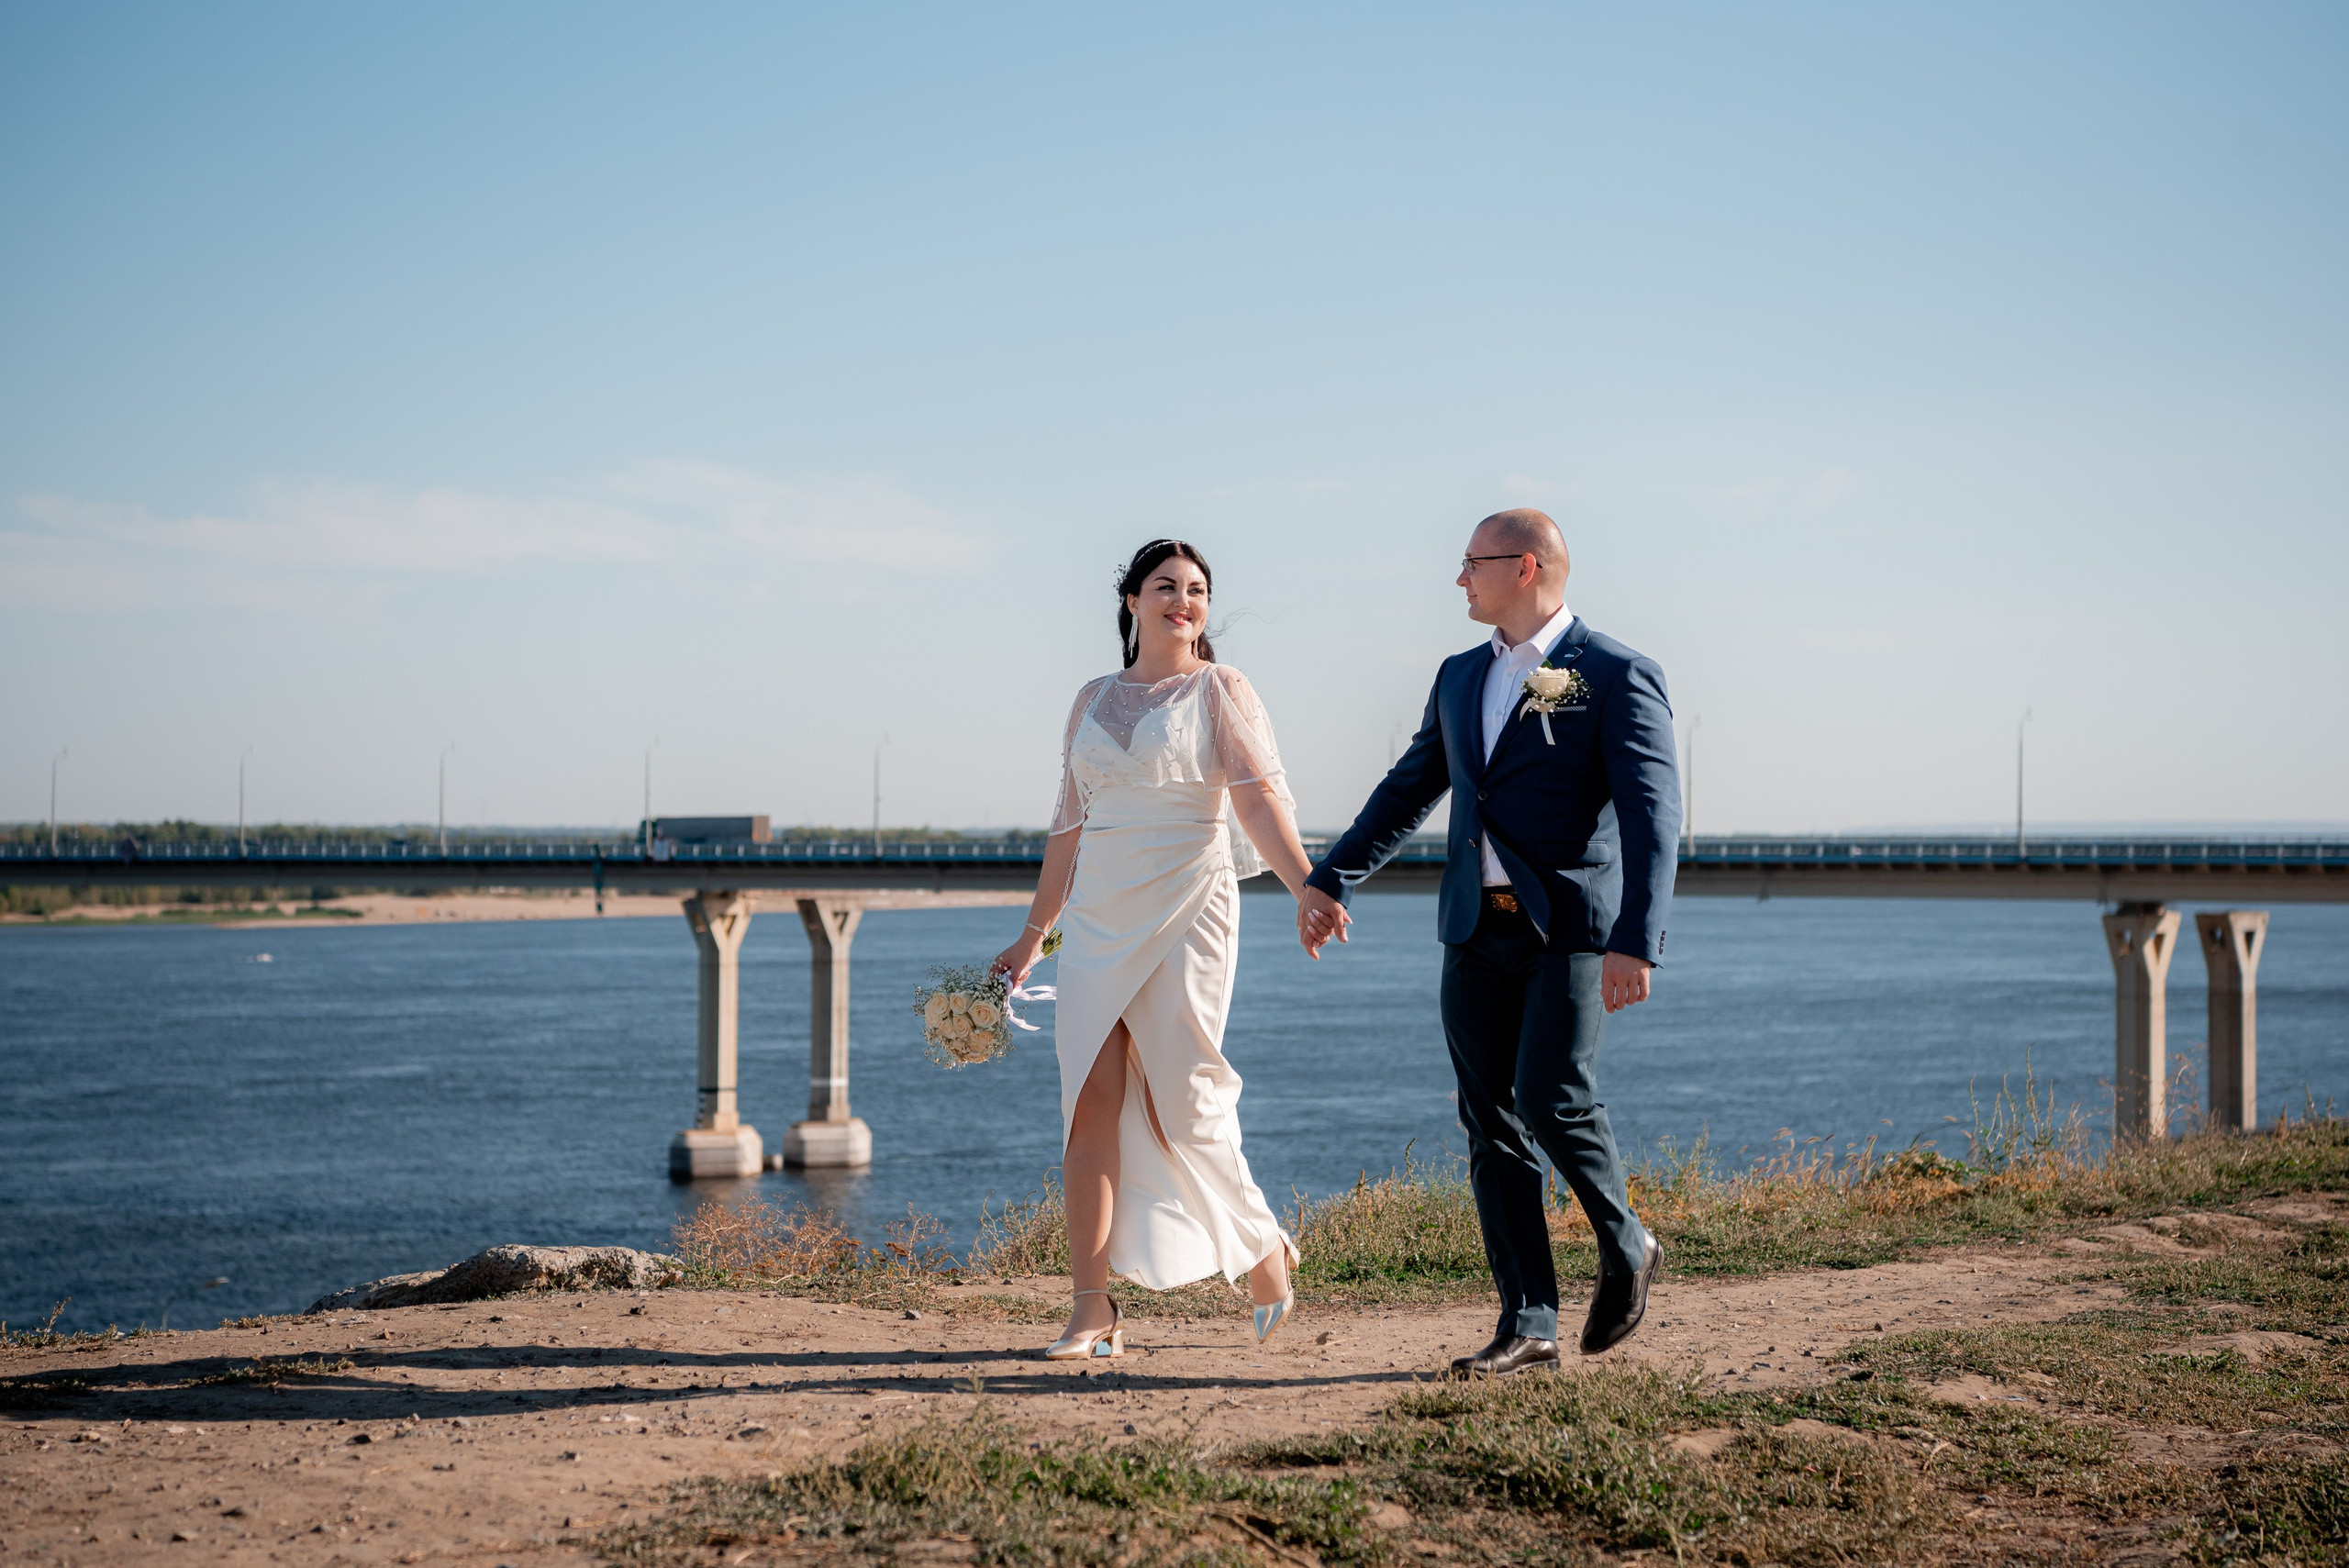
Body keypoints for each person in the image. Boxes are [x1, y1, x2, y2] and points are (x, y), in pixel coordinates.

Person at [1298, 508, 1680, 1376]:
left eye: (1472, 563)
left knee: (1552, 1097)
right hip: (1472, 927)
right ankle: (1530, 1320)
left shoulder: (1616, 673)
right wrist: (1332, 877)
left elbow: (1655, 817)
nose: (1458, 579)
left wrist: (1639, 940)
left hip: (1570, 929)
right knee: (1489, 1122)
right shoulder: (1460, 674)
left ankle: (1628, 1242)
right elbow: (1410, 788)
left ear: (1528, 566)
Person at [992, 539, 1319, 1361]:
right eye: (1167, 586)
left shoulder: (1221, 689)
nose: (1184, 600)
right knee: (1087, 1110)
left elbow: (1257, 803)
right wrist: (1033, 937)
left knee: (1187, 1096)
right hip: (1100, 916)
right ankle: (1091, 1310)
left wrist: (1309, 885)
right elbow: (1067, 829)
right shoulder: (1090, 700)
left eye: (1198, 589)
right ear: (1132, 601)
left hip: (1189, 906)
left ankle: (1261, 1245)